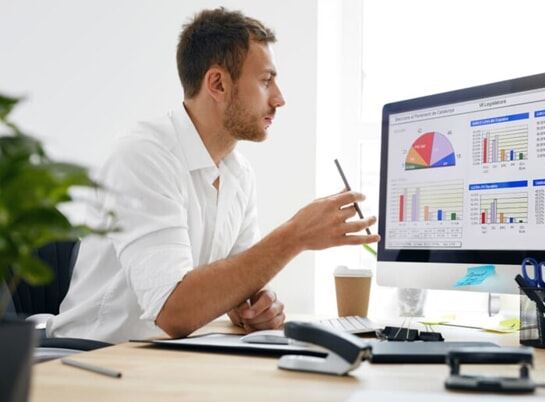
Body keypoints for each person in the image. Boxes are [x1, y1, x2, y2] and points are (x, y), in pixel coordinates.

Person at [47, 8, 379, 344]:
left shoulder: (239, 172)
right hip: (92, 358)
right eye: (265, 81)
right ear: (218, 84)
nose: (279, 98)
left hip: (162, 359)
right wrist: (294, 236)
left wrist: (255, 304)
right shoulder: (144, 156)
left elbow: (243, 276)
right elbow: (173, 312)